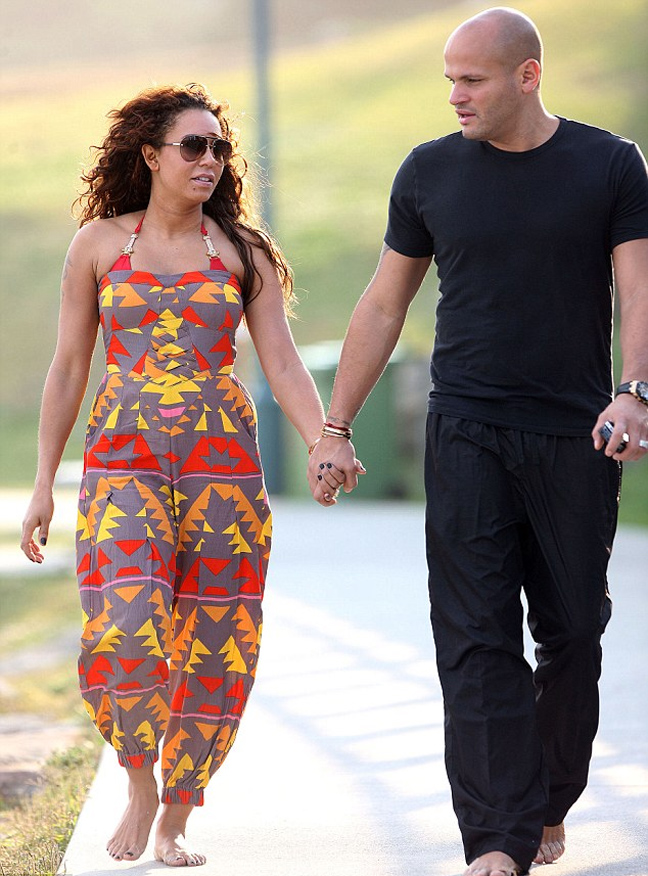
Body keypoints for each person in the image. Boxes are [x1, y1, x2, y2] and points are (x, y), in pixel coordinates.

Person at [307, 7, 648, 876]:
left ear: (527, 76)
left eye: (472, 79)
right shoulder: (429, 172)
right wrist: (335, 427)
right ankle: (496, 838)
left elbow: (638, 289)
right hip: (464, 428)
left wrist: (635, 390)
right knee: (473, 634)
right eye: (449, 79)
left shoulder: (610, 164)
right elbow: (384, 303)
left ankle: (548, 798)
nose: (455, 95)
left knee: (573, 632)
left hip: (573, 434)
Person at [20, 83, 328, 868]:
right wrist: (43, 483)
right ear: (151, 155)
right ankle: (138, 782)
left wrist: (324, 438)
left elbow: (282, 361)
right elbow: (68, 367)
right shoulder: (98, 245)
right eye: (193, 145)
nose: (210, 159)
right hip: (122, 459)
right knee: (126, 621)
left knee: (217, 639)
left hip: (222, 469)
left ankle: (177, 814)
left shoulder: (242, 253)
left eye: (220, 147)